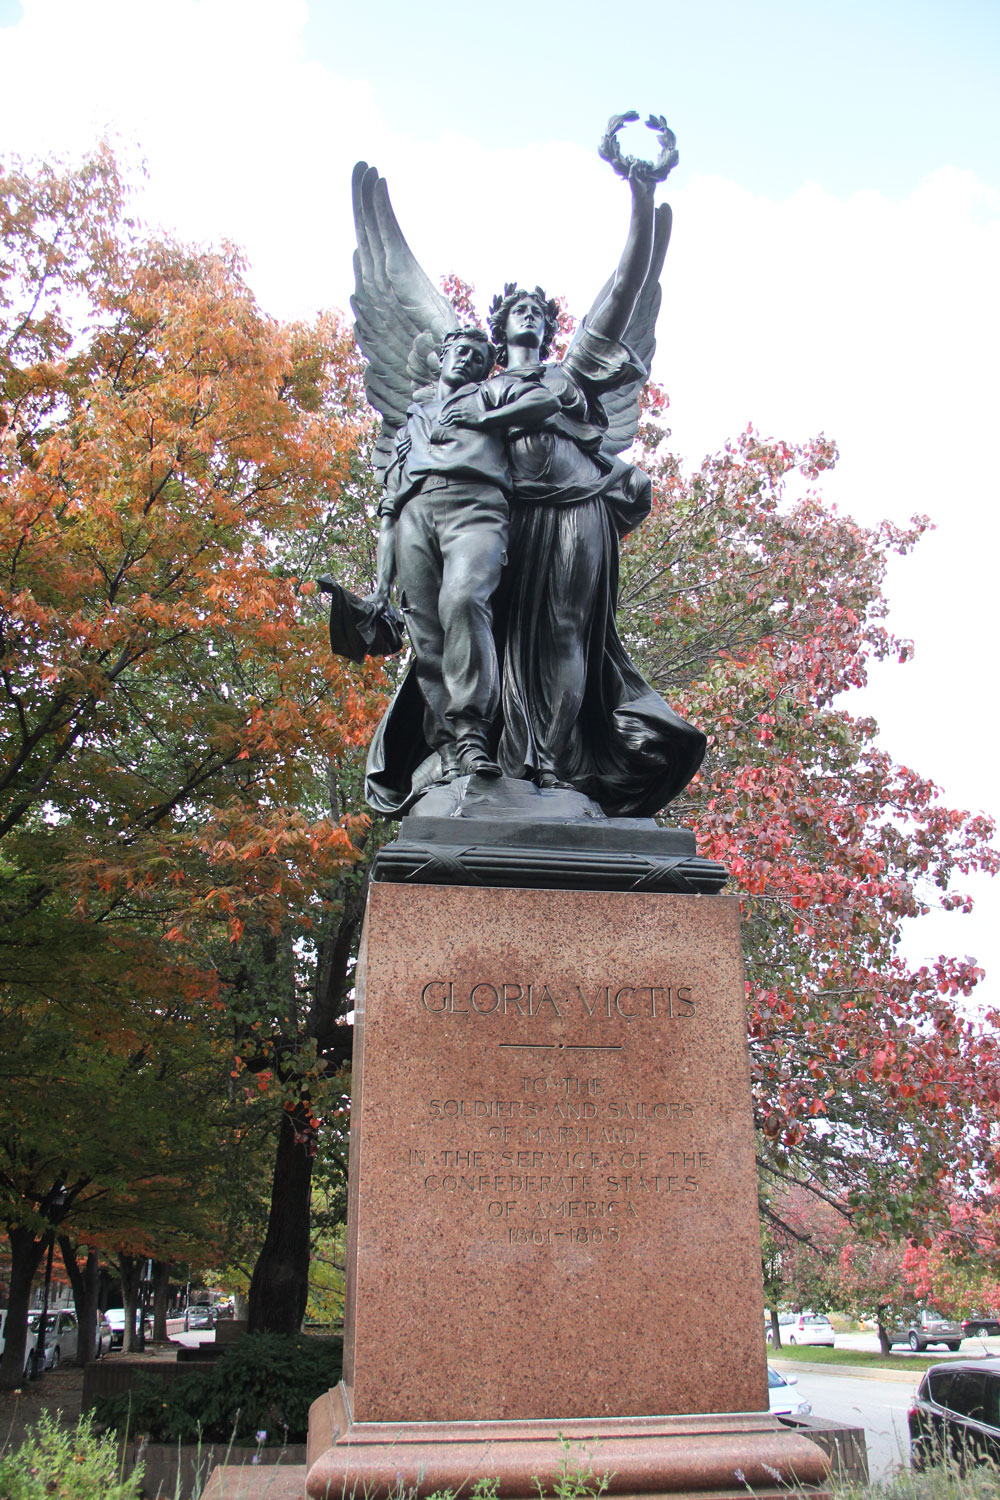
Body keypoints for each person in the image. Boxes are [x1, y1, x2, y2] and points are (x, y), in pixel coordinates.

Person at [480, 168, 707, 816]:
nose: (527, 312)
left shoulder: (571, 369)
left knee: (566, 636)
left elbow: (623, 288)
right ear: (499, 328)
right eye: (514, 309)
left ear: (549, 325)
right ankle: (501, 766)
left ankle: (553, 767)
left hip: (578, 507)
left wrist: (639, 196)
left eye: (537, 309)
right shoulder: (474, 390)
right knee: (490, 642)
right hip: (505, 520)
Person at [367, 325, 558, 786]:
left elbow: (544, 402)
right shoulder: (414, 417)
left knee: (464, 601)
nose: (467, 362)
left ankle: (474, 734)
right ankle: (450, 749)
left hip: (476, 507)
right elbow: (390, 508)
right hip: (415, 513)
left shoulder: (492, 393)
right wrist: (380, 587)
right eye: (460, 353)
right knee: (428, 636)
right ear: (442, 357)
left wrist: (484, 419)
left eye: (478, 357)